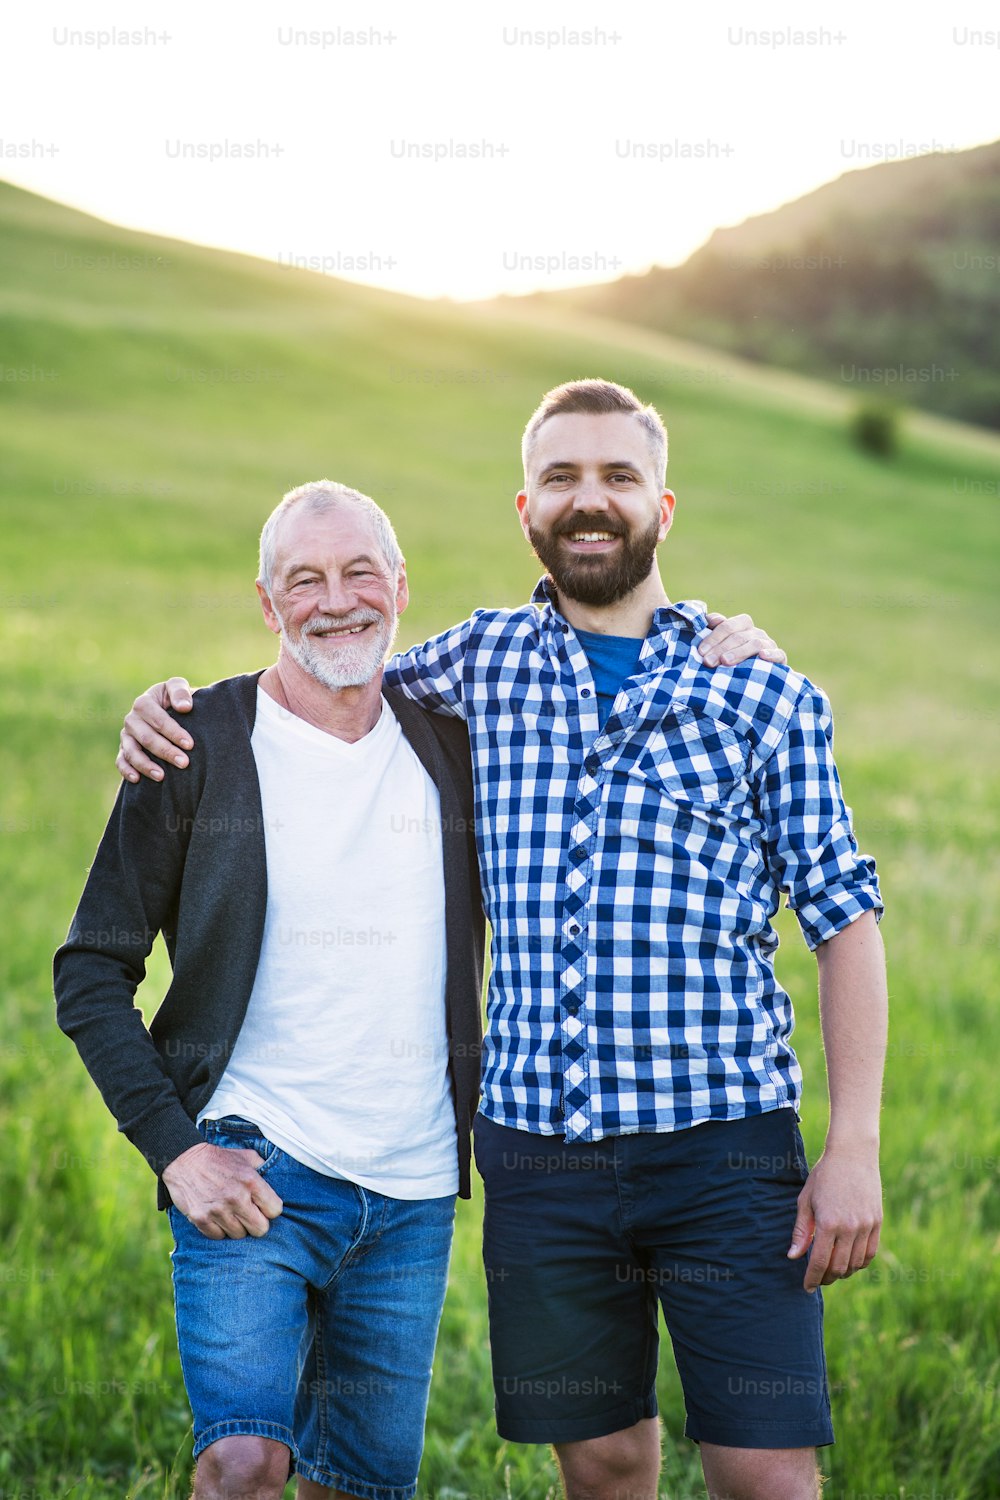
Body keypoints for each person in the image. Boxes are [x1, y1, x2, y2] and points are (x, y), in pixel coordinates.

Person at [118, 379, 884, 1500]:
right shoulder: (478, 666)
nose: (590, 500)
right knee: (606, 1461)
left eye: (618, 477)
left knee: (764, 1472)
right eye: (563, 478)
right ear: (525, 508)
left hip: (725, 1149)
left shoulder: (762, 699)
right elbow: (325, 674)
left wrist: (852, 1145)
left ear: (661, 507)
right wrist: (172, 710)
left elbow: (845, 922)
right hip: (540, 1156)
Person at [55, 482, 487, 1500]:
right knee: (241, 1464)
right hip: (256, 1168)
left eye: (358, 572)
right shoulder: (193, 744)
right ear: (267, 603)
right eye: (305, 580)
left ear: (399, 585)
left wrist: (733, 644)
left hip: (414, 1187)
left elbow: (601, 662)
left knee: (359, 1488)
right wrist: (178, 1151)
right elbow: (90, 970)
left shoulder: (455, 746)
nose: (336, 601)